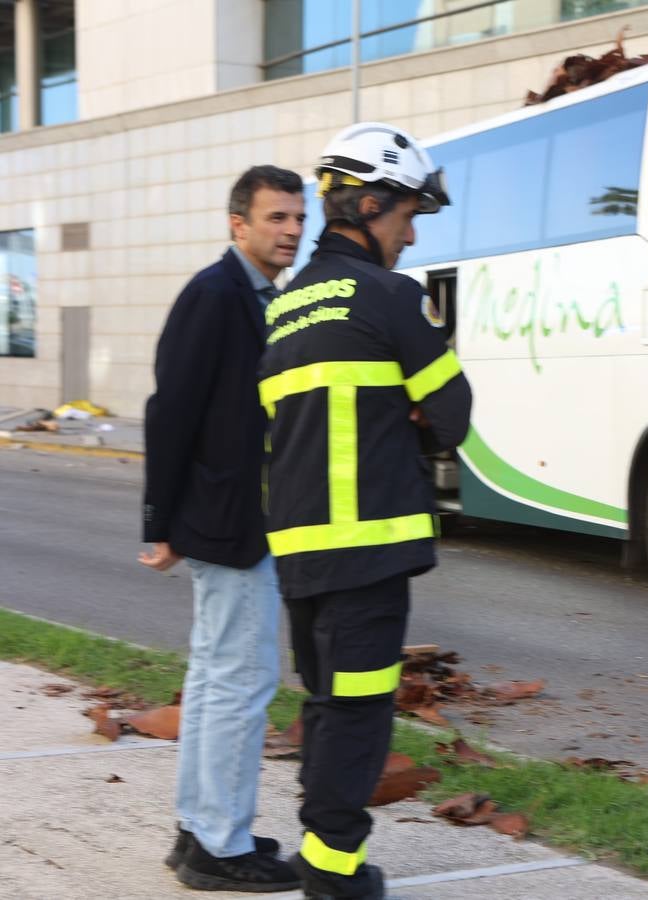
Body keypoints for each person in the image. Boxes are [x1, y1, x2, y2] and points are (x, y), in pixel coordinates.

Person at [258, 122, 472, 900]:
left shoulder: (284, 306)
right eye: (406, 215)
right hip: (370, 550)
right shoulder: (389, 297)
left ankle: (322, 850)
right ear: (369, 203)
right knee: (358, 711)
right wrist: (411, 406)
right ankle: (335, 872)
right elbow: (452, 415)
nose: (411, 235)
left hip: (300, 554)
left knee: (325, 703)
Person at [140, 165, 306, 892]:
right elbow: (169, 410)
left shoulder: (262, 297)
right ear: (237, 224)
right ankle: (220, 846)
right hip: (229, 524)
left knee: (214, 680)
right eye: (276, 218)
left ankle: (201, 827)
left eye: (298, 218)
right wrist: (160, 521)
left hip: (237, 519)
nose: (292, 230)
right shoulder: (215, 294)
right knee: (242, 681)